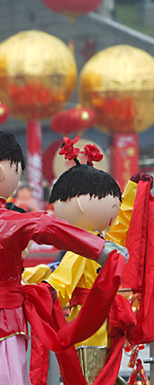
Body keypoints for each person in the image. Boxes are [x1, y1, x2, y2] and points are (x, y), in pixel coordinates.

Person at [0, 92, 128, 385]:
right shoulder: (2, 221)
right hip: (6, 324)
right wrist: (99, 249)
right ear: (4, 169)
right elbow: (43, 225)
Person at [43, 137, 148, 385]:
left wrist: (134, 190)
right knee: (91, 379)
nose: (113, 208)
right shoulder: (82, 247)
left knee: (105, 376)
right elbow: (62, 280)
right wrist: (48, 292)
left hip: (105, 320)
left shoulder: (98, 239)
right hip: (88, 326)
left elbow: (121, 224)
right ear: (79, 204)